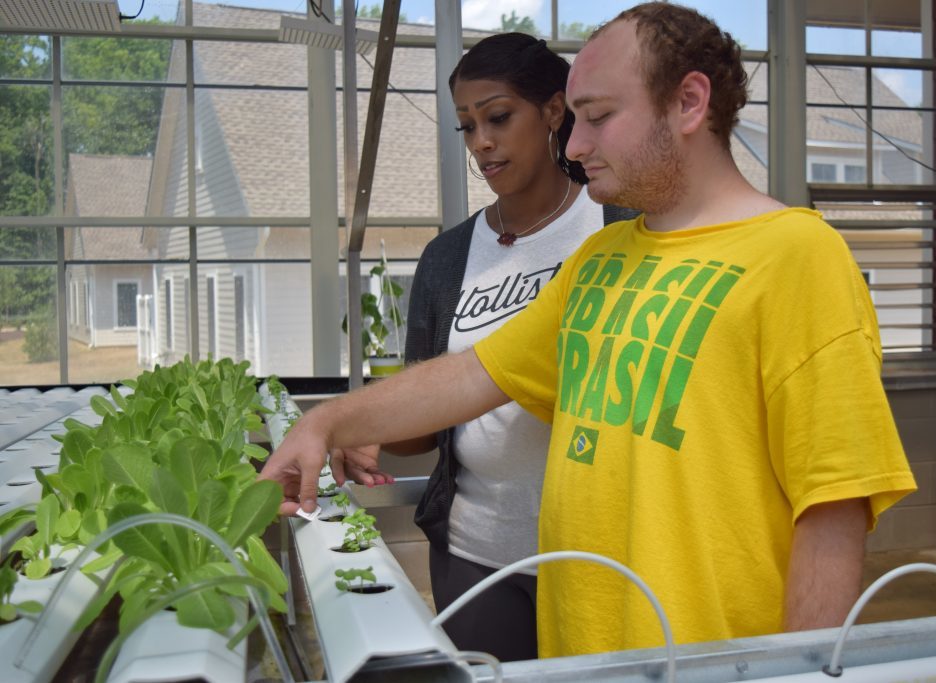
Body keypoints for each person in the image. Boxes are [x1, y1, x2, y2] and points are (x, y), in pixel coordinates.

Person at [261, 2, 916, 660]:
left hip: (710, 663)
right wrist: (328, 423)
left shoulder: (797, 255)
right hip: (584, 654)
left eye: (598, 118)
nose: (574, 146)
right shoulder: (599, 262)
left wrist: (794, 674)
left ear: (688, 103)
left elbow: (833, 504)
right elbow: (471, 374)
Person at [334, 32, 611, 662]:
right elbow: (426, 427)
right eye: (466, 126)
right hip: (475, 551)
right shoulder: (447, 257)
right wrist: (370, 428)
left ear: (552, 112)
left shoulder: (615, 230)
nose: (481, 142)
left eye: (498, 117)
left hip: (597, 550)